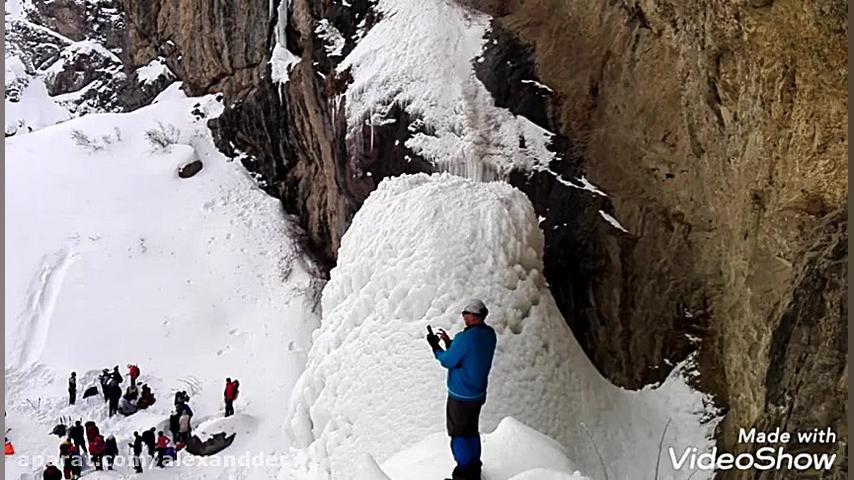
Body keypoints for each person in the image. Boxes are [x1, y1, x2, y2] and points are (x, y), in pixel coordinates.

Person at [427, 299, 496, 480]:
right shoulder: (489, 334)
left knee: (459, 434)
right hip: (478, 394)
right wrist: (452, 344)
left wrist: (435, 346)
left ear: (474, 316)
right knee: (471, 430)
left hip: (460, 396)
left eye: (465, 313)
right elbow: (472, 356)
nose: (464, 316)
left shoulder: (465, 338)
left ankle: (464, 474)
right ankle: (474, 468)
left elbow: (448, 361)